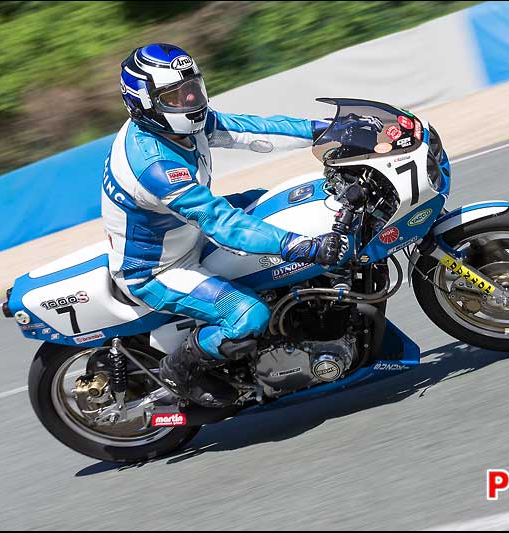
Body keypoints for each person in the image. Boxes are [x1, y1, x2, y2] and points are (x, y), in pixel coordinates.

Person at [103, 43, 341, 407]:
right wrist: (298, 245)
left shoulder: (176, 125)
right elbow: (221, 223)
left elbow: (253, 130)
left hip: (188, 232)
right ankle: (178, 369)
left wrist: (324, 129)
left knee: (281, 197)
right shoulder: (154, 165)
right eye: (175, 96)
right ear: (144, 102)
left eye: (193, 89)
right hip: (160, 268)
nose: (189, 101)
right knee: (248, 314)